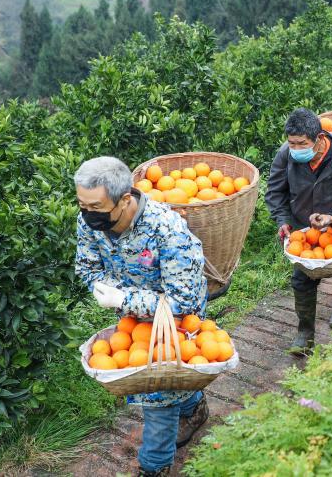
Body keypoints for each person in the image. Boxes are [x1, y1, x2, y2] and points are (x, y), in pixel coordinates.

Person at [74, 156, 209, 477]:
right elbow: (87, 266)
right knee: (176, 379)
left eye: (95, 206)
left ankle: (154, 467)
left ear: (124, 200)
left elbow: (183, 300)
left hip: (176, 318)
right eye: (82, 205)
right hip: (133, 321)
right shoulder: (90, 221)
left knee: (158, 398)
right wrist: (100, 287)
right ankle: (194, 407)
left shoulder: (167, 229)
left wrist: (124, 297)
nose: (87, 214)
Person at [265, 108, 332, 349]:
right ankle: (305, 333)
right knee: (302, 279)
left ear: (320, 138)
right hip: (306, 229)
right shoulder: (287, 154)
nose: (295, 148)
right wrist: (283, 220)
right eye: (291, 143)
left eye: (301, 143)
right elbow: (275, 192)